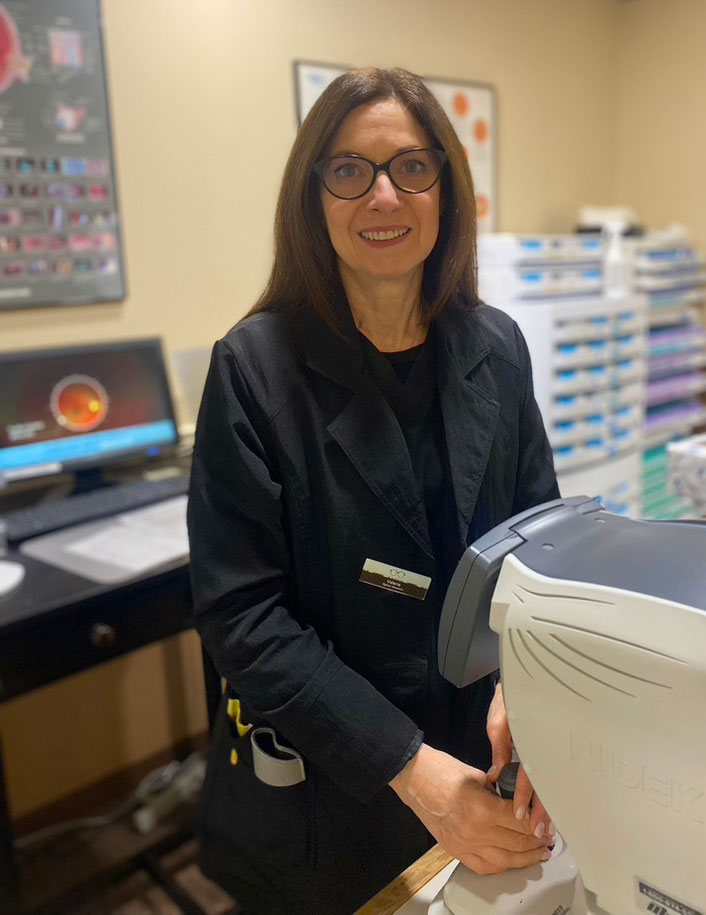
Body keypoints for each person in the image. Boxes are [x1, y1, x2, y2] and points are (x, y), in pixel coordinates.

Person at [187, 66, 560, 914]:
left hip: (481, 761)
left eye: (411, 167)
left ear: (445, 189)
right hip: (333, 781)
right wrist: (409, 768)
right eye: (349, 171)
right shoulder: (255, 368)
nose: (384, 195)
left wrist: (521, 688)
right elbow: (242, 616)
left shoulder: (495, 349)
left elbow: (539, 549)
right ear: (314, 198)